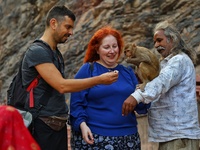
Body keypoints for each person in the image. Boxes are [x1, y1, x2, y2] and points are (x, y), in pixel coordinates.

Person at [21, 5, 118, 150]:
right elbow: (62, 86)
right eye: (68, 27)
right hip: (41, 125)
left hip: (56, 126)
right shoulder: (37, 52)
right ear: (53, 23)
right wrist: (99, 80)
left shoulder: (55, 53)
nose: (71, 32)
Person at [122, 21, 200, 150]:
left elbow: (162, 82)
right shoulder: (165, 63)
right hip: (169, 136)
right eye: (155, 42)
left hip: (180, 136)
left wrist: (136, 96)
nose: (156, 45)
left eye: (159, 40)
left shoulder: (179, 60)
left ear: (172, 40)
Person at [69, 26, 150, 150]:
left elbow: (141, 107)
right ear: (97, 50)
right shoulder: (88, 70)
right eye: (106, 47)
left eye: (114, 46)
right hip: (95, 137)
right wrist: (82, 125)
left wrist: (147, 90)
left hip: (128, 139)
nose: (112, 51)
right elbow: (76, 103)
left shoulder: (128, 72)